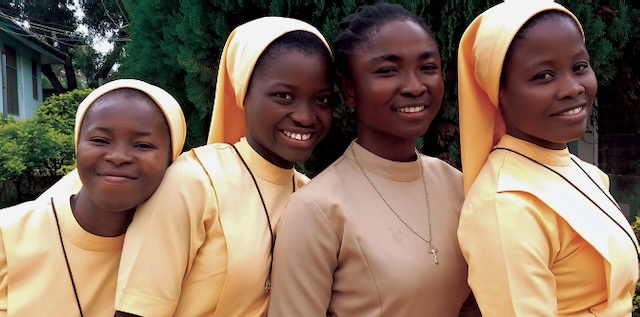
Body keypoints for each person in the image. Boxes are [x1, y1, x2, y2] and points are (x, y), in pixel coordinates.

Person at [268, 3, 480, 316]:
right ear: (350, 90)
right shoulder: (318, 210)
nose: (414, 86)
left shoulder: (458, 185)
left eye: (427, 67)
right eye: (387, 71)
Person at [113, 17, 334, 317]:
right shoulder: (194, 183)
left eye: (321, 99)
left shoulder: (311, 197)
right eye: (284, 96)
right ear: (245, 94)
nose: (306, 116)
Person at [457, 1, 640, 315]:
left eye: (579, 66)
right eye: (543, 75)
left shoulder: (585, 172)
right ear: (498, 91)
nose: (572, 88)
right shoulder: (506, 206)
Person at [0, 78, 186, 316]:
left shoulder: (179, 250)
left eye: (142, 145)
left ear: (171, 157)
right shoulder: (8, 234)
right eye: (99, 140)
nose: (118, 156)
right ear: (77, 146)